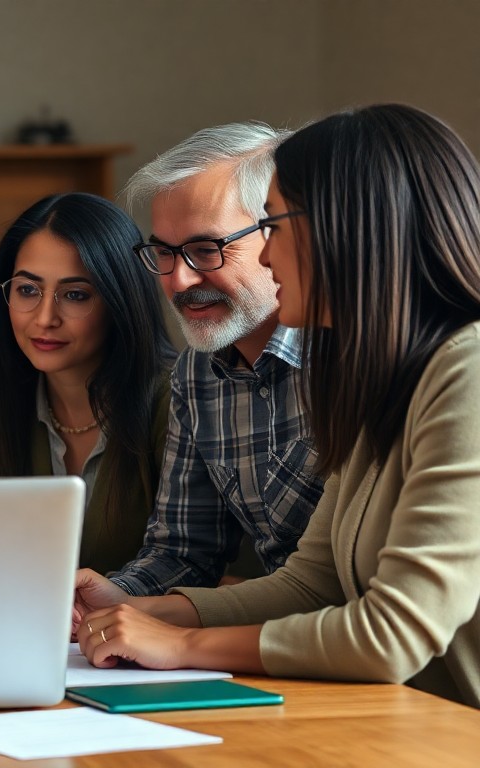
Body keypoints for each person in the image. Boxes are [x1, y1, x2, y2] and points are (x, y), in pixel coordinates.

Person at [74, 103, 480, 709]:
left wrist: (181, 645)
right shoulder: (384, 377)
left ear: (349, 230)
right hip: (396, 716)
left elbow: (390, 635)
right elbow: (311, 581)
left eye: (279, 226)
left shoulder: (466, 369)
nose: (268, 255)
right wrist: (137, 611)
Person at [83, 122, 325, 596]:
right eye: (164, 253)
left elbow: (336, 584)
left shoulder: (357, 356)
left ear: (279, 236)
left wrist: (179, 627)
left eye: (205, 249)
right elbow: (184, 552)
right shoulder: (196, 372)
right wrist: (115, 597)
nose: (179, 281)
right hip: (279, 646)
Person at [0, 193, 176, 574]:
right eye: (27, 290)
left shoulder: (175, 400)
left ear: (120, 300)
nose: (45, 318)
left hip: (145, 629)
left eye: (75, 295)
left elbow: (208, 571)